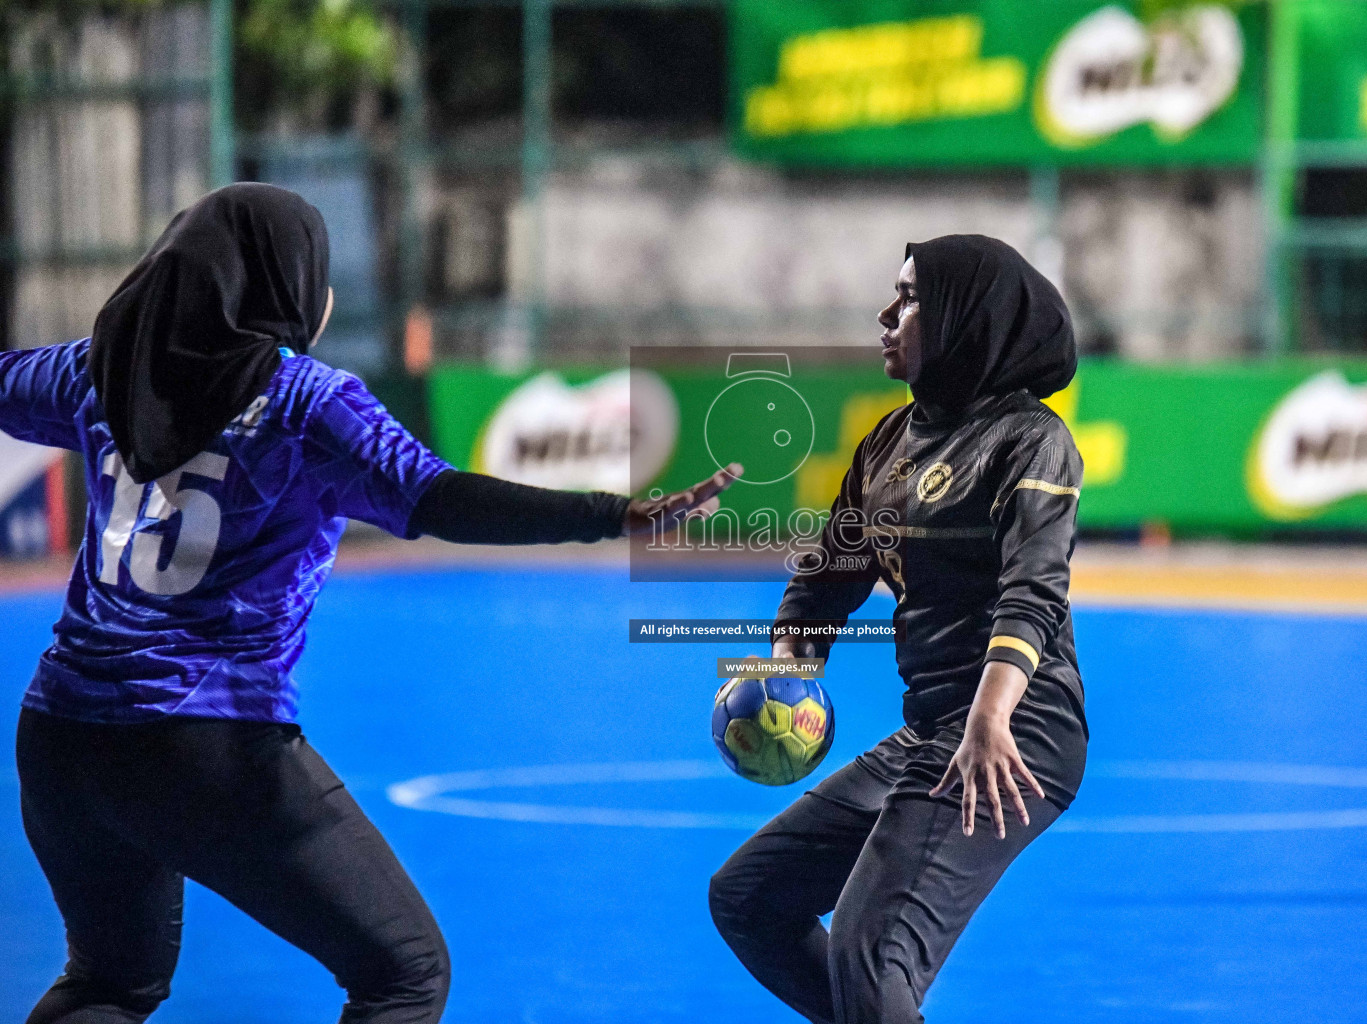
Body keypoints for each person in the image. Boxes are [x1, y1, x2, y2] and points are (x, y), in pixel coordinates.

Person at [0, 182, 737, 1024]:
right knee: (403, 972)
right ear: (281, 288)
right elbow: (442, 500)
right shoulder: (305, 404)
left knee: (108, 983)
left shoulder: (100, 369)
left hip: (58, 736)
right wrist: (613, 514)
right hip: (204, 740)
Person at [709, 234, 1088, 1024]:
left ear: (962, 319)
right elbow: (826, 579)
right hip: (932, 732)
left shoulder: (1031, 440)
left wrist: (988, 718)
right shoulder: (889, 440)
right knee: (749, 898)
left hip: (1018, 729)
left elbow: (1033, 592)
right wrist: (787, 667)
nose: (887, 312)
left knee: (871, 947)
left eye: (911, 297)